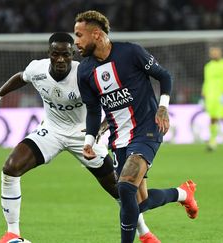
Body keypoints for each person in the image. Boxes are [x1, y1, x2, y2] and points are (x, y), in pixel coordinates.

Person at [0, 33, 159, 243]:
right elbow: (21, 77)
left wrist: (100, 128)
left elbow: (116, 103)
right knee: (10, 168)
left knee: (121, 191)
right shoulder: (37, 69)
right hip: (51, 131)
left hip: (84, 137)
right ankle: (12, 233)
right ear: (49, 54)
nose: (61, 59)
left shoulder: (86, 74)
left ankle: (144, 233)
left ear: (72, 54)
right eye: (56, 54)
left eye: (66, 54)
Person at [74, 10, 199, 243]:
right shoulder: (84, 71)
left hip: (147, 129)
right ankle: (182, 193)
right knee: (138, 203)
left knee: (125, 187)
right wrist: (89, 141)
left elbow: (164, 76)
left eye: (80, 35)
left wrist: (163, 107)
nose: (76, 42)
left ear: (97, 34)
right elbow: (93, 110)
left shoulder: (131, 52)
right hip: (118, 138)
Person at [201, 46, 223, 151]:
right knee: (212, 118)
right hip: (211, 95)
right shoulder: (208, 66)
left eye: (216, 52)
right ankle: (213, 142)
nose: (214, 54)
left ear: (221, 53)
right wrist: (204, 91)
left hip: (222, 94)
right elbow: (207, 80)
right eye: (213, 52)